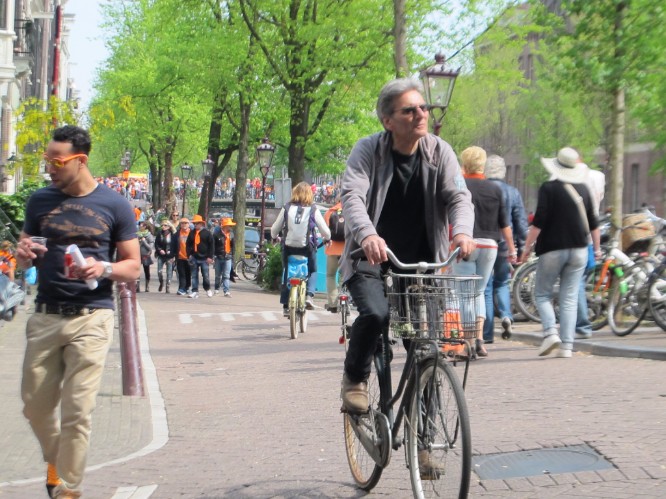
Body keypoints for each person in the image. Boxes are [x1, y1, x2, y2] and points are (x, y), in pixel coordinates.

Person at [14, 125, 140, 499]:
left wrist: (103, 268)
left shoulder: (115, 204)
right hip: (45, 315)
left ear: (80, 160)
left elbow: (132, 266)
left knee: (77, 412)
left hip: (92, 316)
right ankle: (58, 461)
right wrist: (22, 258)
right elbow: (26, 254)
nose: (50, 167)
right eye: (47, 160)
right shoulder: (39, 200)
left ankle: (67, 488)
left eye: (57, 161)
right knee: (34, 407)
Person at [338, 78, 475, 418]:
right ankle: (355, 378)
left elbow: (459, 197)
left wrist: (462, 232)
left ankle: (426, 441)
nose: (420, 114)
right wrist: (367, 234)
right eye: (409, 110)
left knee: (424, 346)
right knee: (376, 314)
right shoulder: (368, 151)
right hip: (370, 258)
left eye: (423, 107)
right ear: (388, 120)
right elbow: (352, 196)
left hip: (419, 265)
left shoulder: (439, 152)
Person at [520, 147, 601, 358]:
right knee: (570, 297)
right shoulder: (584, 189)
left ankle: (549, 333)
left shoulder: (548, 188)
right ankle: (566, 346)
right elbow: (594, 223)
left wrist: (527, 247)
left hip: (552, 249)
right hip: (580, 249)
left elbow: (538, 222)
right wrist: (597, 248)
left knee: (542, 293)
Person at [452, 146, 517, 358]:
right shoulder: (495, 189)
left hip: (466, 243)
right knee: (479, 292)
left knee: (464, 294)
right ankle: (479, 339)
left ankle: (468, 341)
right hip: (490, 244)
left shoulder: (460, 186)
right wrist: (512, 248)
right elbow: (504, 223)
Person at [483, 154, 528, 342]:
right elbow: (520, 221)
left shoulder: (482, 189)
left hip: (485, 242)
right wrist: (521, 245)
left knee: (485, 286)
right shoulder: (513, 191)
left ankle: (486, 333)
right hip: (504, 244)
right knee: (502, 283)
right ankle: (507, 315)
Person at [271, 181, 331, 317]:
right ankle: (309, 296)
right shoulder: (313, 209)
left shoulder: (286, 207)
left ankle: (286, 305)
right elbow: (325, 232)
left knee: (287, 271)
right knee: (313, 270)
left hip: (288, 247)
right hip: (307, 248)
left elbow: (275, 229)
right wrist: (327, 239)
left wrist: (274, 237)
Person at [575, 164, 606, 339]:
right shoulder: (593, 185)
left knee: (575, 284)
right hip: (585, 242)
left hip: (572, 242)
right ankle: (580, 323)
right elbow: (594, 223)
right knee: (579, 282)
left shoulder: (573, 188)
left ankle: (581, 324)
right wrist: (597, 248)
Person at [186, 214, 214, 298]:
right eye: (194, 223)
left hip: (204, 258)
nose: (195, 225)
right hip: (194, 257)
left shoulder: (207, 233)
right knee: (194, 275)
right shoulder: (192, 233)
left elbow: (212, 245)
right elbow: (188, 244)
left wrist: (210, 257)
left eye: (197, 223)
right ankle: (195, 290)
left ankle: (207, 288)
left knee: (205, 275)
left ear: (201, 224)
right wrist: (189, 255)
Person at [323, 200, 344, 312]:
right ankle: (344, 298)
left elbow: (324, 232)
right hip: (346, 250)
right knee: (345, 275)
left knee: (331, 275)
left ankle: (333, 304)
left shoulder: (330, 212)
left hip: (332, 250)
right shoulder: (352, 210)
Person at [213, 217, 236, 296]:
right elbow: (213, 246)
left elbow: (233, 246)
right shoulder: (216, 235)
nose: (230, 227)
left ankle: (226, 291)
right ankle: (216, 288)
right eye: (229, 225)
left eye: (230, 226)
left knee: (226, 275)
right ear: (224, 226)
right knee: (217, 275)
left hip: (228, 257)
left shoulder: (231, 234)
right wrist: (214, 255)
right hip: (218, 257)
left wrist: (232, 255)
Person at [154, 220, 177, 293]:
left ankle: (168, 286)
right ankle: (161, 282)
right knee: (159, 271)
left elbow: (175, 245)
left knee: (169, 272)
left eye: (165, 225)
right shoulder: (159, 233)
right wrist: (160, 250)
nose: (163, 227)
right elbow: (156, 244)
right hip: (161, 255)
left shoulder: (173, 234)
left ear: (169, 227)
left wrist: (172, 253)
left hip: (170, 256)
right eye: (162, 225)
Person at [175, 217, 192, 295]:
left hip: (190, 258)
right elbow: (173, 245)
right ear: (180, 225)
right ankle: (182, 288)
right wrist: (172, 255)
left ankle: (187, 287)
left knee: (188, 274)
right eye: (182, 223)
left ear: (188, 224)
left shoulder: (192, 233)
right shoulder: (177, 234)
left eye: (186, 223)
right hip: (180, 257)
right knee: (181, 274)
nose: (184, 225)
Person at [137, 221, 155, 292]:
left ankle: (147, 286)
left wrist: (144, 241)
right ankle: (137, 286)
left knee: (146, 270)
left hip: (145, 255)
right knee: (137, 271)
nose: (139, 227)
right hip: (137, 255)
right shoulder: (137, 235)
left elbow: (150, 247)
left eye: (141, 225)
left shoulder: (149, 236)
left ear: (145, 227)